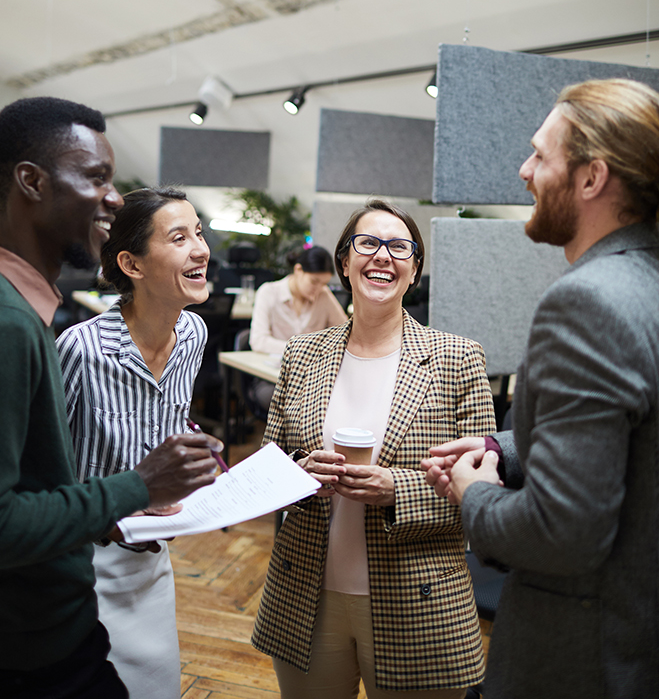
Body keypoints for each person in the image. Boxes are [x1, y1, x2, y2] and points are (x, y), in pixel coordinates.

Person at [0, 97, 221, 698]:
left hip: (90, 591)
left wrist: (185, 459)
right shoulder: (11, 325)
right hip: (46, 615)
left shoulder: (25, 312)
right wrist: (138, 488)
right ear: (32, 182)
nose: (113, 199)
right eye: (96, 178)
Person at [423, 78, 659, 699]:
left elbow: (562, 532)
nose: (524, 171)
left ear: (591, 178)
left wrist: (473, 493)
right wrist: (500, 447)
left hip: (580, 661)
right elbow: (631, 441)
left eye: (539, 155)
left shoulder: (587, 303)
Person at [252, 198, 495, 699]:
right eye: (367, 243)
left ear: (414, 271)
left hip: (418, 599)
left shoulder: (458, 359)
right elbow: (268, 465)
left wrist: (396, 490)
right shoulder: (302, 352)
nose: (382, 255)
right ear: (344, 262)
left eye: (399, 247)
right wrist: (300, 473)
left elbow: (484, 492)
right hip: (306, 597)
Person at [57, 186, 212, 699]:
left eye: (199, 233)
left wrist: (194, 452)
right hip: (84, 567)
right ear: (131, 264)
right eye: (179, 237)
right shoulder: (81, 349)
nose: (201, 249)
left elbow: (168, 423)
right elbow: (44, 471)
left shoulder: (193, 335)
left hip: (152, 562)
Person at [249, 245, 347, 409]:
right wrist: (301, 349)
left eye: (324, 284)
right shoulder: (269, 292)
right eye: (314, 282)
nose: (318, 289)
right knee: (303, 404)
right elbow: (258, 341)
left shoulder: (323, 294)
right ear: (298, 270)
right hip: (274, 378)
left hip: (312, 379)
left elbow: (345, 333)